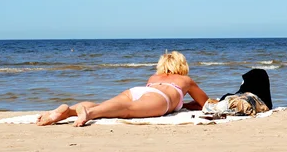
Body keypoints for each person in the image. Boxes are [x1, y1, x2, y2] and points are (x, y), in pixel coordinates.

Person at [36, 51, 209, 127]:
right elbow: (205, 104)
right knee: (127, 110)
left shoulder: (153, 78)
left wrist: (181, 104)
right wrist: (184, 104)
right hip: (160, 97)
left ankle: (69, 111)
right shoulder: (185, 80)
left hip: (137, 90)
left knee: (108, 105)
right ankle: (89, 114)